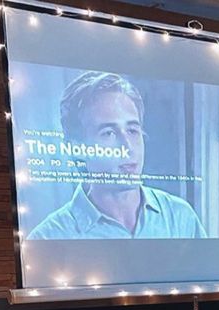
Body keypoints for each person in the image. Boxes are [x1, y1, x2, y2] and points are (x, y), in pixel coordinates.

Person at [28, 71, 206, 240]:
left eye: (132, 130)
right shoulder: (49, 237)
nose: (128, 146)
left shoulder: (181, 217)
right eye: (108, 133)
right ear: (76, 148)